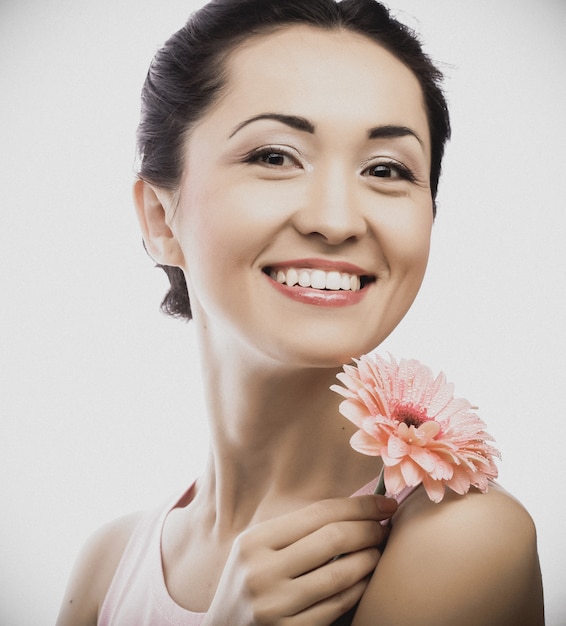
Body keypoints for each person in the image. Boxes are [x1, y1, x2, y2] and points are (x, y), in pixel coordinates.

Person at [56, 1, 544, 624]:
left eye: (386, 169)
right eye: (275, 157)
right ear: (159, 217)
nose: (336, 221)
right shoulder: (108, 563)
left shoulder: (459, 536)